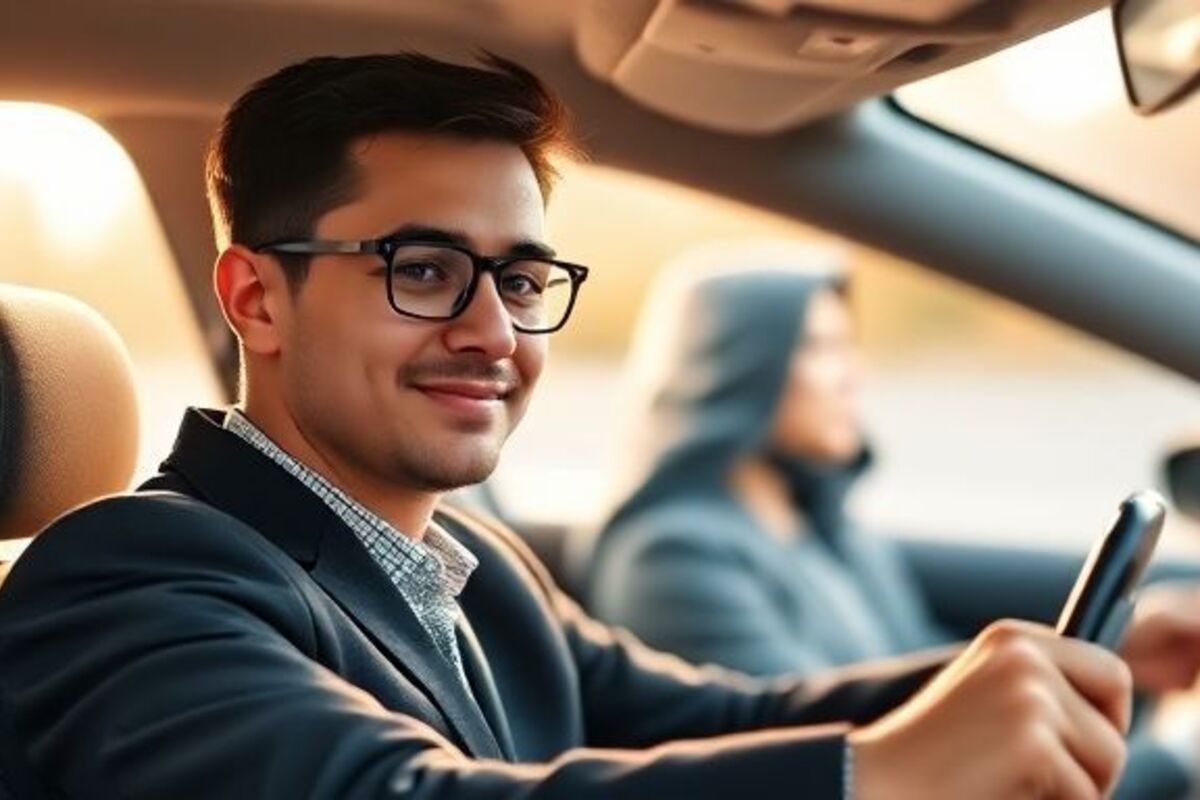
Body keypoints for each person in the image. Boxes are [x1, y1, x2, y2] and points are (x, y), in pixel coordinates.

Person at [0, 51, 1178, 799]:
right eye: (422, 268)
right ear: (256, 296)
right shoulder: (124, 580)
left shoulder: (476, 565)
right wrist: (874, 776)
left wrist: (1035, 671)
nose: (493, 333)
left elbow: (720, 715)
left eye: (519, 280)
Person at [585, 247, 1200, 796]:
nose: (855, 374)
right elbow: (815, 757)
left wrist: (1109, 654)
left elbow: (913, 666)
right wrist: (1175, 751)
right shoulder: (670, 557)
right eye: (822, 348)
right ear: (737, 364)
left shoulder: (821, 525)